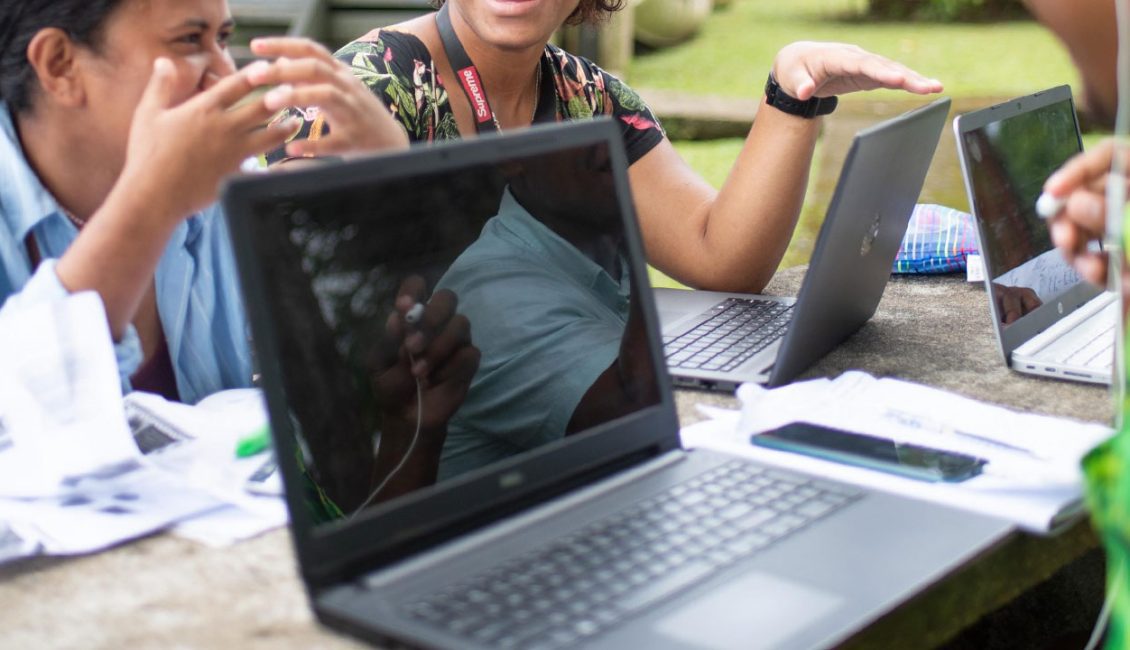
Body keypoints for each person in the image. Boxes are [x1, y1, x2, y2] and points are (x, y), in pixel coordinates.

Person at [251, 0, 944, 295]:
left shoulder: (591, 98)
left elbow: (721, 254)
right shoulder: (365, 88)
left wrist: (794, 94)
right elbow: (320, 310)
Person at [0, 0, 406, 405]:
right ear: (59, 65)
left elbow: (337, 344)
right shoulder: (185, 181)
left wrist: (391, 181)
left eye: (223, 39)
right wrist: (150, 203)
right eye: (190, 40)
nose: (226, 73)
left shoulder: (212, 188)